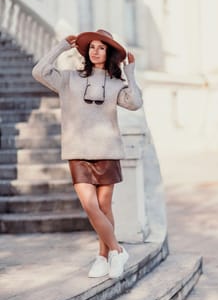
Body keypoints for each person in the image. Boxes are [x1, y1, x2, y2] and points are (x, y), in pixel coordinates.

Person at [32, 29, 143, 279]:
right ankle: (118, 249)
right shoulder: (68, 79)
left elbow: (135, 103)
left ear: (109, 53)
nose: (95, 51)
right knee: (90, 206)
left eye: (101, 47)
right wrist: (61, 47)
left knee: (104, 206)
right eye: (92, 46)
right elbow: (38, 71)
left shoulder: (116, 84)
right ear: (86, 51)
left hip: (107, 151)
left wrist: (130, 74)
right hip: (78, 151)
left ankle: (103, 258)